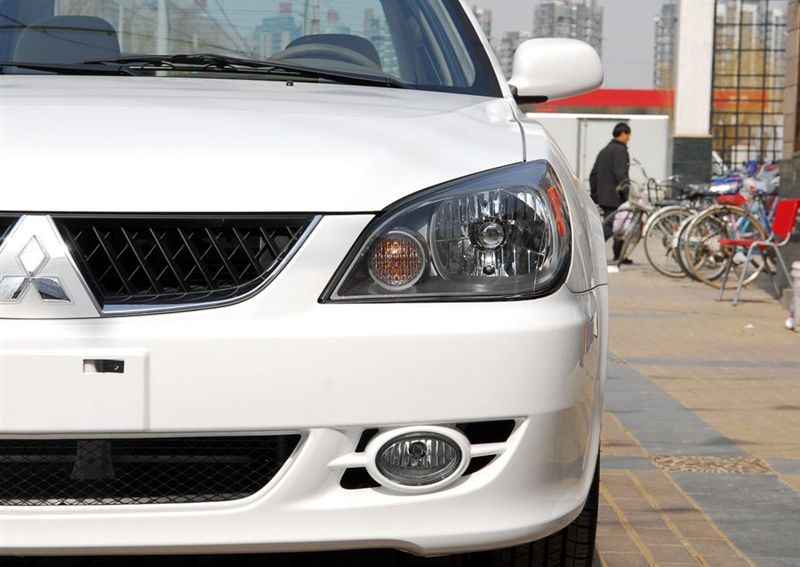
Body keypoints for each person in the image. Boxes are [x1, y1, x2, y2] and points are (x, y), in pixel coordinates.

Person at [590, 122, 632, 264]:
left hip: (604, 196)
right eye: (628, 135)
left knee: (619, 224)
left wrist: (595, 194)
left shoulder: (604, 151)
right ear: (623, 134)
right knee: (612, 226)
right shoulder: (620, 151)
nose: (629, 138)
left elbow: (593, 174)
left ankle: (619, 255)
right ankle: (590, 249)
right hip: (615, 196)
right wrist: (626, 193)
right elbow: (621, 174)